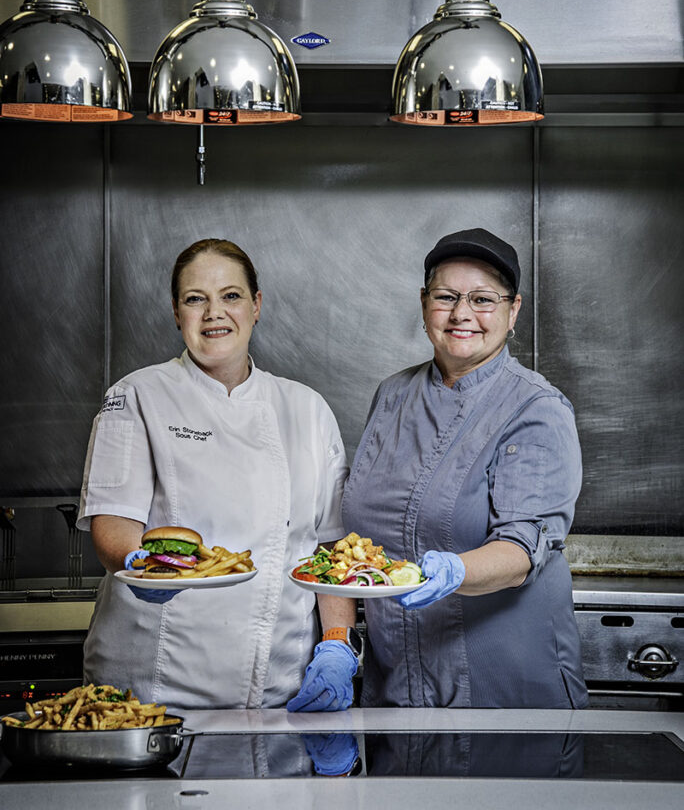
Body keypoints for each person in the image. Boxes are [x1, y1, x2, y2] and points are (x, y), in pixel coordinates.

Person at [77, 238, 358, 710]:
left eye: (230, 296)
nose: (214, 313)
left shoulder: (306, 408)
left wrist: (336, 645)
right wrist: (146, 570)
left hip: (282, 687)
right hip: (156, 692)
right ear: (176, 312)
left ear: (256, 306)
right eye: (195, 299)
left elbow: (330, 552)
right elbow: (113, 530)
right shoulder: (137, 396)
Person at [341, 228, 588, 709]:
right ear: (423, 302)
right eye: (446, 296)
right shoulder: (392, 395)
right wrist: (336, 644)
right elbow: (351, 534)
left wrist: (454, 570)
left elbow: (523, 546)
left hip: (504, 691)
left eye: (483, 299)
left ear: (513, 311)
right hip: (395, 688)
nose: (461, 314)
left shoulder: (536, 407)